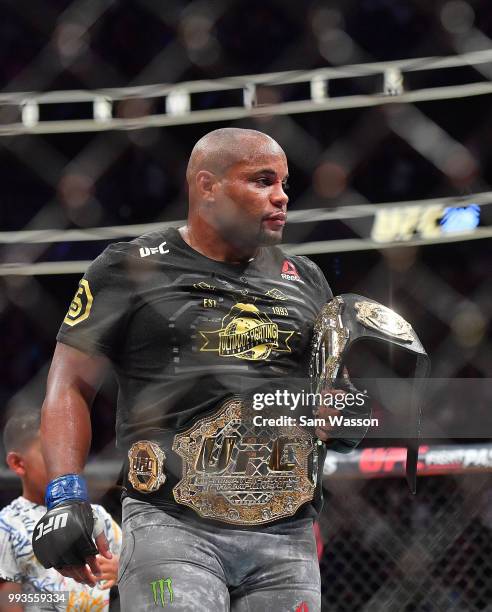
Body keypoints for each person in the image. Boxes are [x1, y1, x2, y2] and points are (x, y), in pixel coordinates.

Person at [34, 128, 368, 611]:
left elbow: (337, 396)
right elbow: (69, 383)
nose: (281, 197)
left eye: (284, 183)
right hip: (172, 524)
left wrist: (345, 414)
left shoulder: (306, 278)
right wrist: (65, 494)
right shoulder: (131, 268)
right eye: (261, 180)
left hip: (287, 536)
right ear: (208, 187)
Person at [0, 408, 121, 611]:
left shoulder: (97, 515)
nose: (63, 464)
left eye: (69, 453)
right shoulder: (8, 525)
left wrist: (122, 571)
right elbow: (7, 600)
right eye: (51, 455)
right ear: (18, 463)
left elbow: (145, 572)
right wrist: (54, 599)